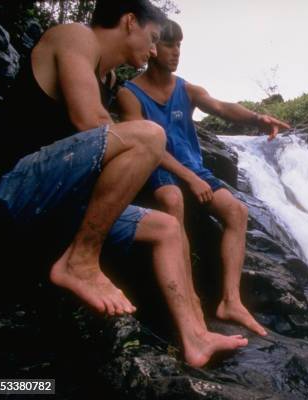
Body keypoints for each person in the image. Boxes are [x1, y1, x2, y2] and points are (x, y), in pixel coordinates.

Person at [0, 0, 247, 367]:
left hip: (56, 207)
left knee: (167, 227)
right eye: (153, 37)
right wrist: (145, 148)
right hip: (12, 189)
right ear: (130, 22)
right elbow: (89, 121)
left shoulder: (109, 80)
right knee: (147, 135)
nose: (155, 49)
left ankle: (196, 337)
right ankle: (80, 261)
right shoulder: (74, 37)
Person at [117, 19, 290, 338]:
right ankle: (189, 295)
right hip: (157, 167)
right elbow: (145, 147)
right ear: (153, 47)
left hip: (194, 169)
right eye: (170, 45)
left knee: (237, 211)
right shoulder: (130, 94)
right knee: (172, 199)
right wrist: (189, 179)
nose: (176, 52)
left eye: (180, 46)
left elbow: (222, 107)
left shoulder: (186, 89)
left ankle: (230, 301)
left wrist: (257, 118)